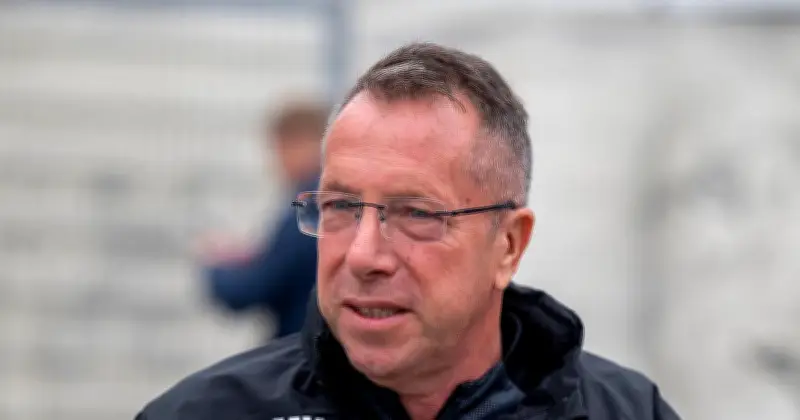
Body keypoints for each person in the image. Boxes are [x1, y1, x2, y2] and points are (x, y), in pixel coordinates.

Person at [138, 43, 680, 419]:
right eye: (341, 206)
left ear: (508, 245)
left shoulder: (629, 412)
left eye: (417, 214)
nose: (363, 255)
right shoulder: (204, 413)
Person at [197, 100, 327, 339]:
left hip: (300, 344)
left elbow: (255, 288)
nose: (275, 163)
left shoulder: (309, 204)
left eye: (278, 150)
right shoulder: (335, 198)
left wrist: (215, 267)